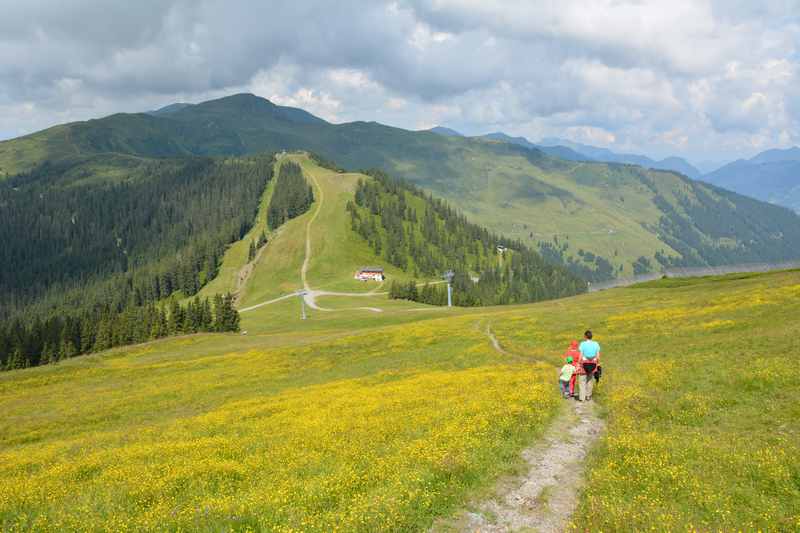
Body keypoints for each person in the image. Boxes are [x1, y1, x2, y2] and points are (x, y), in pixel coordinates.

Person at [578, 330, 601, 401]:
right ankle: (588, 396)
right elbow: (598, 356)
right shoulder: (596, 344)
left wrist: (578, 363)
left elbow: (581, 355)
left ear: (585, 336)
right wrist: (598, 363)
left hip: (584, 363)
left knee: (582, 380)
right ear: (591, 336)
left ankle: (582, 398)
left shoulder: (583, 344)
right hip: (593, 364)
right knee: (590, 380)